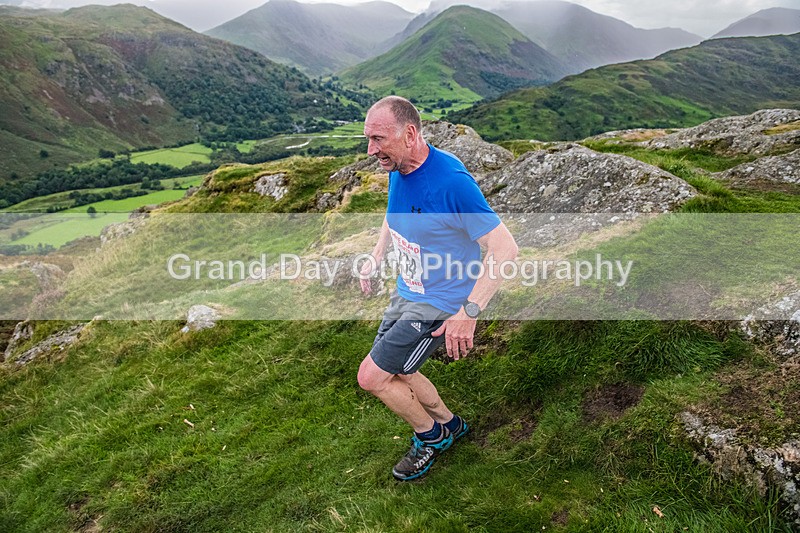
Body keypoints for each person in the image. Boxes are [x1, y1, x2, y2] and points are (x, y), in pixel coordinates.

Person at [357, 96, 518, 481]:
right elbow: (394, 212)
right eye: (368, 139)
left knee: (372, 377)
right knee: (405, 372)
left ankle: (430, 438)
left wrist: (469, 312)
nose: (370, 150)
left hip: (438, 302)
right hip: (408, 290)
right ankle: (452, 424)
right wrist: (378, 254)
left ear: (409, 134)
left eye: (378, 139)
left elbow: (505, 248)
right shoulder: (399, 164)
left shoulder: (450, 182)